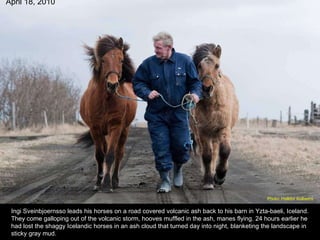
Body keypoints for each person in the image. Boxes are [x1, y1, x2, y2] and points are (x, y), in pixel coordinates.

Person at [132, 32, 202, 193]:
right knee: (161, 147)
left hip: (179, 113)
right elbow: (137, 83)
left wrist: (195, 95)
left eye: (158, 48)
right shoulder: (148, 64)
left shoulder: (185, 61)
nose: (155, 51)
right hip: (157, 115)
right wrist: (147, 92)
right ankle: (165, 179)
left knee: (181, 146)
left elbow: (195, 82)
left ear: (169, 47)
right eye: (155, 48)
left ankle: (178, 169)